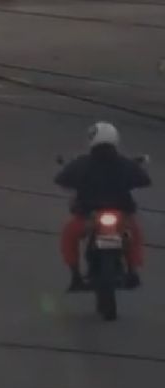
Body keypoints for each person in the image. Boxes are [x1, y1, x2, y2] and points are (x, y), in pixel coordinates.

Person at [55, 122, 151, 290]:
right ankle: (133, 271)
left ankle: (75, 275)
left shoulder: (81, 164)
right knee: (135, 235)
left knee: (68, 236)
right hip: (122, 216)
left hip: (89, 217)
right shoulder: (126, 164)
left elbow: (61, 179)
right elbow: (144, 180)